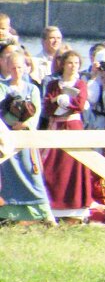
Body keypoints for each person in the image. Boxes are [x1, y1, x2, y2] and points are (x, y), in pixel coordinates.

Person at [0, 48, 54, 224]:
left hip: (26, 139)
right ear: (8, 67)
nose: (16, 71)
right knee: (7, 178)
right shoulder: (2, 87)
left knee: (33, 175)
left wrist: (25, 124)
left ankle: (44, 213)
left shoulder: (32, 89)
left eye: (20, 67)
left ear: (25, 68)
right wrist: (10, 122)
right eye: (13, 67)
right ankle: (9, 215)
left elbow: (36, 112)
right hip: (6, 137)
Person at [41, 50, 94, 223]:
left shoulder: (81, 83)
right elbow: (48, 107)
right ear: (63, 64)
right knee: (52, 166)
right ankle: (50, 205)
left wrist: (66, 103)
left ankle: (74, 209)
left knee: (74, 166)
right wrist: (58, 102)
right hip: (56, 126)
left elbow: (79, 104)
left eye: (76, 63)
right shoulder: (53, 84)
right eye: (70, 63)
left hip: (73, 126)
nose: (73, 67)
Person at [84, 48, 105, 130]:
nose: (104, 68)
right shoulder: (88, 78)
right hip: (96, 119)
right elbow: (91, 99)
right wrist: (94, 77)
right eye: (102, 64)